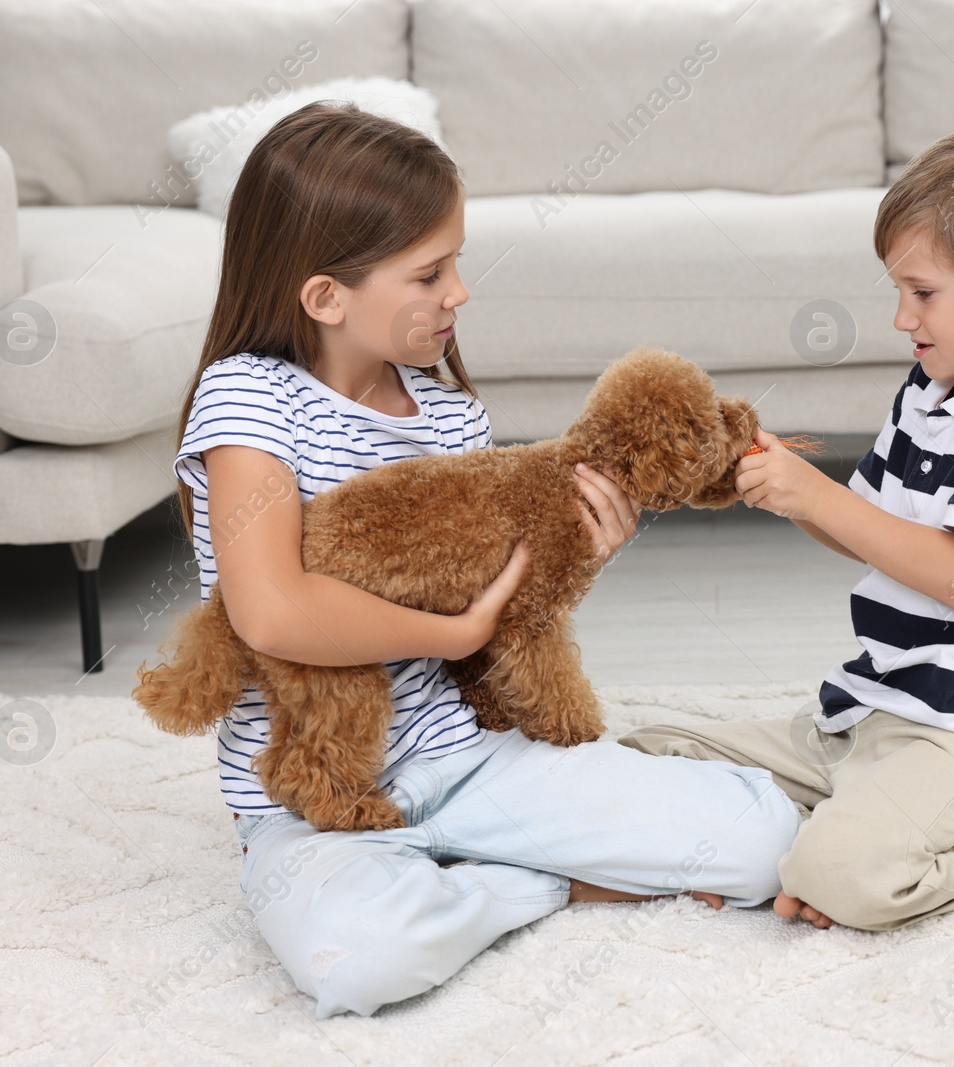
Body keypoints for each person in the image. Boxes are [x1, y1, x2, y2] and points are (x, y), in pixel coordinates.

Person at [170, 103, 801, 1017]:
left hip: (469, 757)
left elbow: (499, 607)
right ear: (325, 296)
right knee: (356, 960)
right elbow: (269, 611)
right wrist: (456, 625)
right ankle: (537, 879)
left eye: (456, 262)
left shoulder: (451, 417)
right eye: (430, 272)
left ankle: (487, 859)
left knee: (762, 839)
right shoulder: (249, 400)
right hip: (319, 801)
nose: (459, 291)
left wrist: (577, 554)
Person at [621, 120, 954, 932]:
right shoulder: (933, 387)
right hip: (860, 712)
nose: (900, 318)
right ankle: (828, 828)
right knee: (647, 750)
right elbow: (870, 526)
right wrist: (782, 487)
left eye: (922, 294)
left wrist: (817, 495)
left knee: (837, 876)